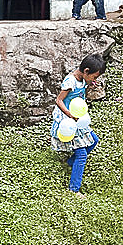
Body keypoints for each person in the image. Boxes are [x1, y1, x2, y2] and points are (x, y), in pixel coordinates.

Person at [51, 53, 105, 196]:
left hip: (78, 119)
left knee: (94, 141)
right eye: (94, 77)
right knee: (81, 155)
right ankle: (73, 190)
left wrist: (90, 85)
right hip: (68, 120)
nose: (95, 79)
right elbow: (59, 100)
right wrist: (69, 115)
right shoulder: (70, 81)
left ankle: (70, 163)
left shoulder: (83, 80)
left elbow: (79, 96)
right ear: (86, 71)